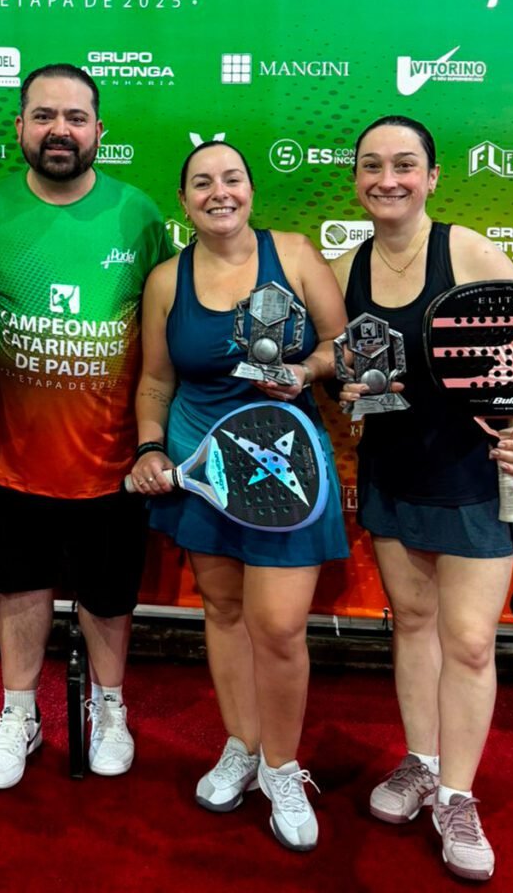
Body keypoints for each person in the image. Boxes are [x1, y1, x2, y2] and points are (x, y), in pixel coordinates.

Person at [330, 115, 513, 882]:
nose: (387, 179)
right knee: (413, 625)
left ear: (433, 175)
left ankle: (457, 796)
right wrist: (341, 387)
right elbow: (341, 368)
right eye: (372, 165)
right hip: (394, 472)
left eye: (404, 164)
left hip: (477, 478)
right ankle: (422, 762)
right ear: (356, 177)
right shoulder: (345, 268)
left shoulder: (468, 252)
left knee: (471, 642)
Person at [130, 140, 349, 852]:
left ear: (251, 190)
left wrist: (305, 371)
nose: (218, 192)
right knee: (223, 612)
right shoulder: (167, 279)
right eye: (202, 182)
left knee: (278, 628)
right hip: (202, 466)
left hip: (286, 467)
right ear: (184, 200)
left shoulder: (296, 253)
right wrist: (150, 446)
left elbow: (344, 347)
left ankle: (282, 769)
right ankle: (242, 746)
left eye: (231, 179)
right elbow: (156, 380)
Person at [0, 63, 171, 788]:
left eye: (76, 117)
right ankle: (19, 713)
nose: (60, 130)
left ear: (98, 131)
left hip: (113, 457)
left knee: (109, 598)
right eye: (45, 115)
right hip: (10, 455)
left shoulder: (139, 214)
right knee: (19, 588)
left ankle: (110, 707)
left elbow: (166, 322)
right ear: (20, 126)